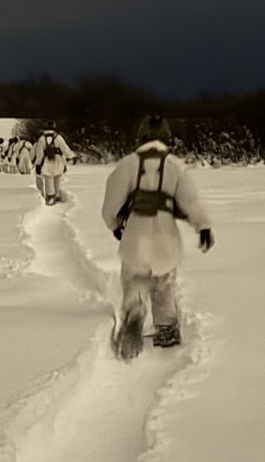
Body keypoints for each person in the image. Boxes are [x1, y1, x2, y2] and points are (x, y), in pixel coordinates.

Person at [100, 116, 213, 361]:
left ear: (141, 138)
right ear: (166, 139)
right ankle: (166, 329)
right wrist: (203, 226)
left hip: (136, 237)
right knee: (164, 284)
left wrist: (115, 225)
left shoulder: (128, 164)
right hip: (165, 239)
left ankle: (135, 310)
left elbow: (110, 207)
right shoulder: (176, 167)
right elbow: (191, 201)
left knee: (135, 279)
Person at [32, 126, 74, 205]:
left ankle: (50, 196)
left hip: (47, 162)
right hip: (58, 161)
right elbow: (65, 148)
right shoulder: (58, 137)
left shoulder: (41, 139)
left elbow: (40, 154)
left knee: (49, 179)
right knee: (58, 178)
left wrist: (38, 164)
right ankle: (58, 194)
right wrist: (71, 156)